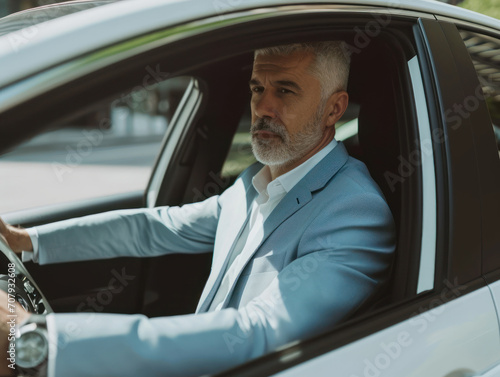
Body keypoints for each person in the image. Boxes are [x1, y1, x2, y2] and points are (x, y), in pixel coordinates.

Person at [0, 41, 396, 377]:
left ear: (334, 109)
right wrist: (26, 241)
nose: (263, 107)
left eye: (286, 91)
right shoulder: (254, 181)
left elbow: (256, 332)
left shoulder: (355, 213)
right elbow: (156, 227)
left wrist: (40, 341)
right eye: (258, 88)